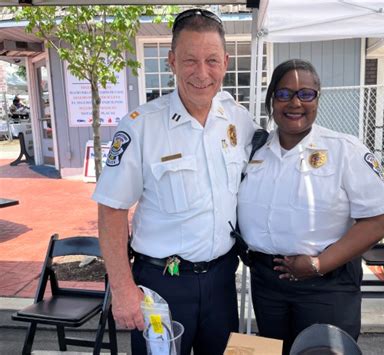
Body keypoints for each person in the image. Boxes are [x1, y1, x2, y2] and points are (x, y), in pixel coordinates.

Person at [92, 8, 255, 355]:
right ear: (171, 61)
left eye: (212, 60)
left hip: (223, 282)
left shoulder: (238, 120)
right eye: (189, 60)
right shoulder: (140, 127)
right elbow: (111, 210)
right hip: (162, 287)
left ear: (225, 62)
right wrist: (122, 290)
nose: (202, 73)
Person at [237, 59, 384, 354]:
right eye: (284, 94)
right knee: (275, 351)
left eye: (306, 94)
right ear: (271, 100)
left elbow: (380, 221)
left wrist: (318, 265)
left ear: (317, 99)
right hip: (267, 283)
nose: (295, 102)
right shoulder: (255, 149)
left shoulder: (344, 150)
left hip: (326, 284)